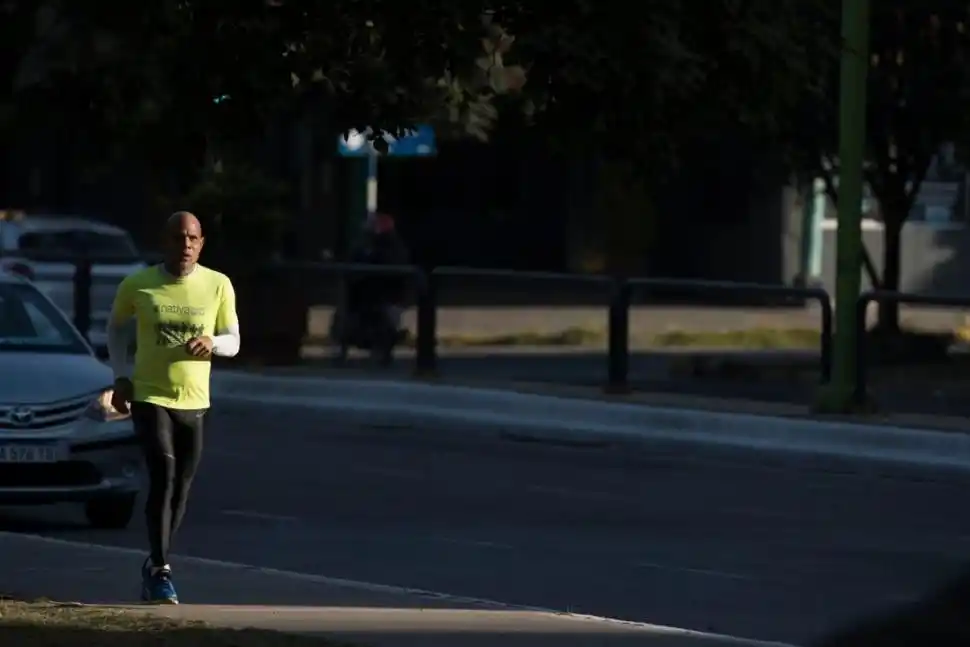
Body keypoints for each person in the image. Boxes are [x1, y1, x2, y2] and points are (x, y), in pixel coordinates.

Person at [105, 211, 240, 604]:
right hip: (149, 395)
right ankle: (162, 570)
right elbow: (115, 329)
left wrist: (212, 342)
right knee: (162, 472)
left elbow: (234, 339)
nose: (185, 246)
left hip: (195, 400)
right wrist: (120, 376)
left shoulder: (218, 285)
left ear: (201, 243)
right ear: (165, 241)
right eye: (179, 238)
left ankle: (153, 564)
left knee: (181, 487)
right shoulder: (139, 284)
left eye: (193, 239)